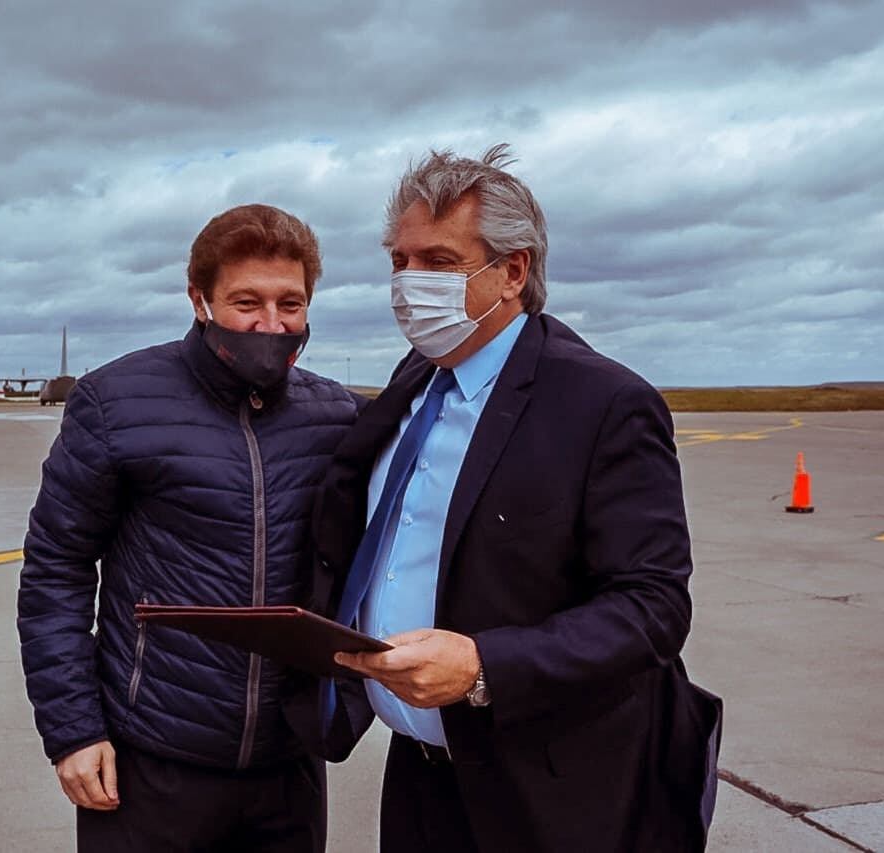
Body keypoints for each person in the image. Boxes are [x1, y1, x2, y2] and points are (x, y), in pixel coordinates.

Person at [309, 147, 722, 851]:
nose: (410, 284)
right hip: (421, 777)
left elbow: (654, 606)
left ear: (514, 271)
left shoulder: (603, 403)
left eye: (438, 261)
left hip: (551, 795)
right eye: (399, 261)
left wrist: (481, 666)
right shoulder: (417, 379)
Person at [17, 204, 359, 852]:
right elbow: (54, 571)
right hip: (150, 763)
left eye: (292, 303)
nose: (272, 324)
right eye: (247, 302)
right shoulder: (114, 402)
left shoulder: (336, 415)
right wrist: (72, 729)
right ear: (198, 299)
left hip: (287, 769)